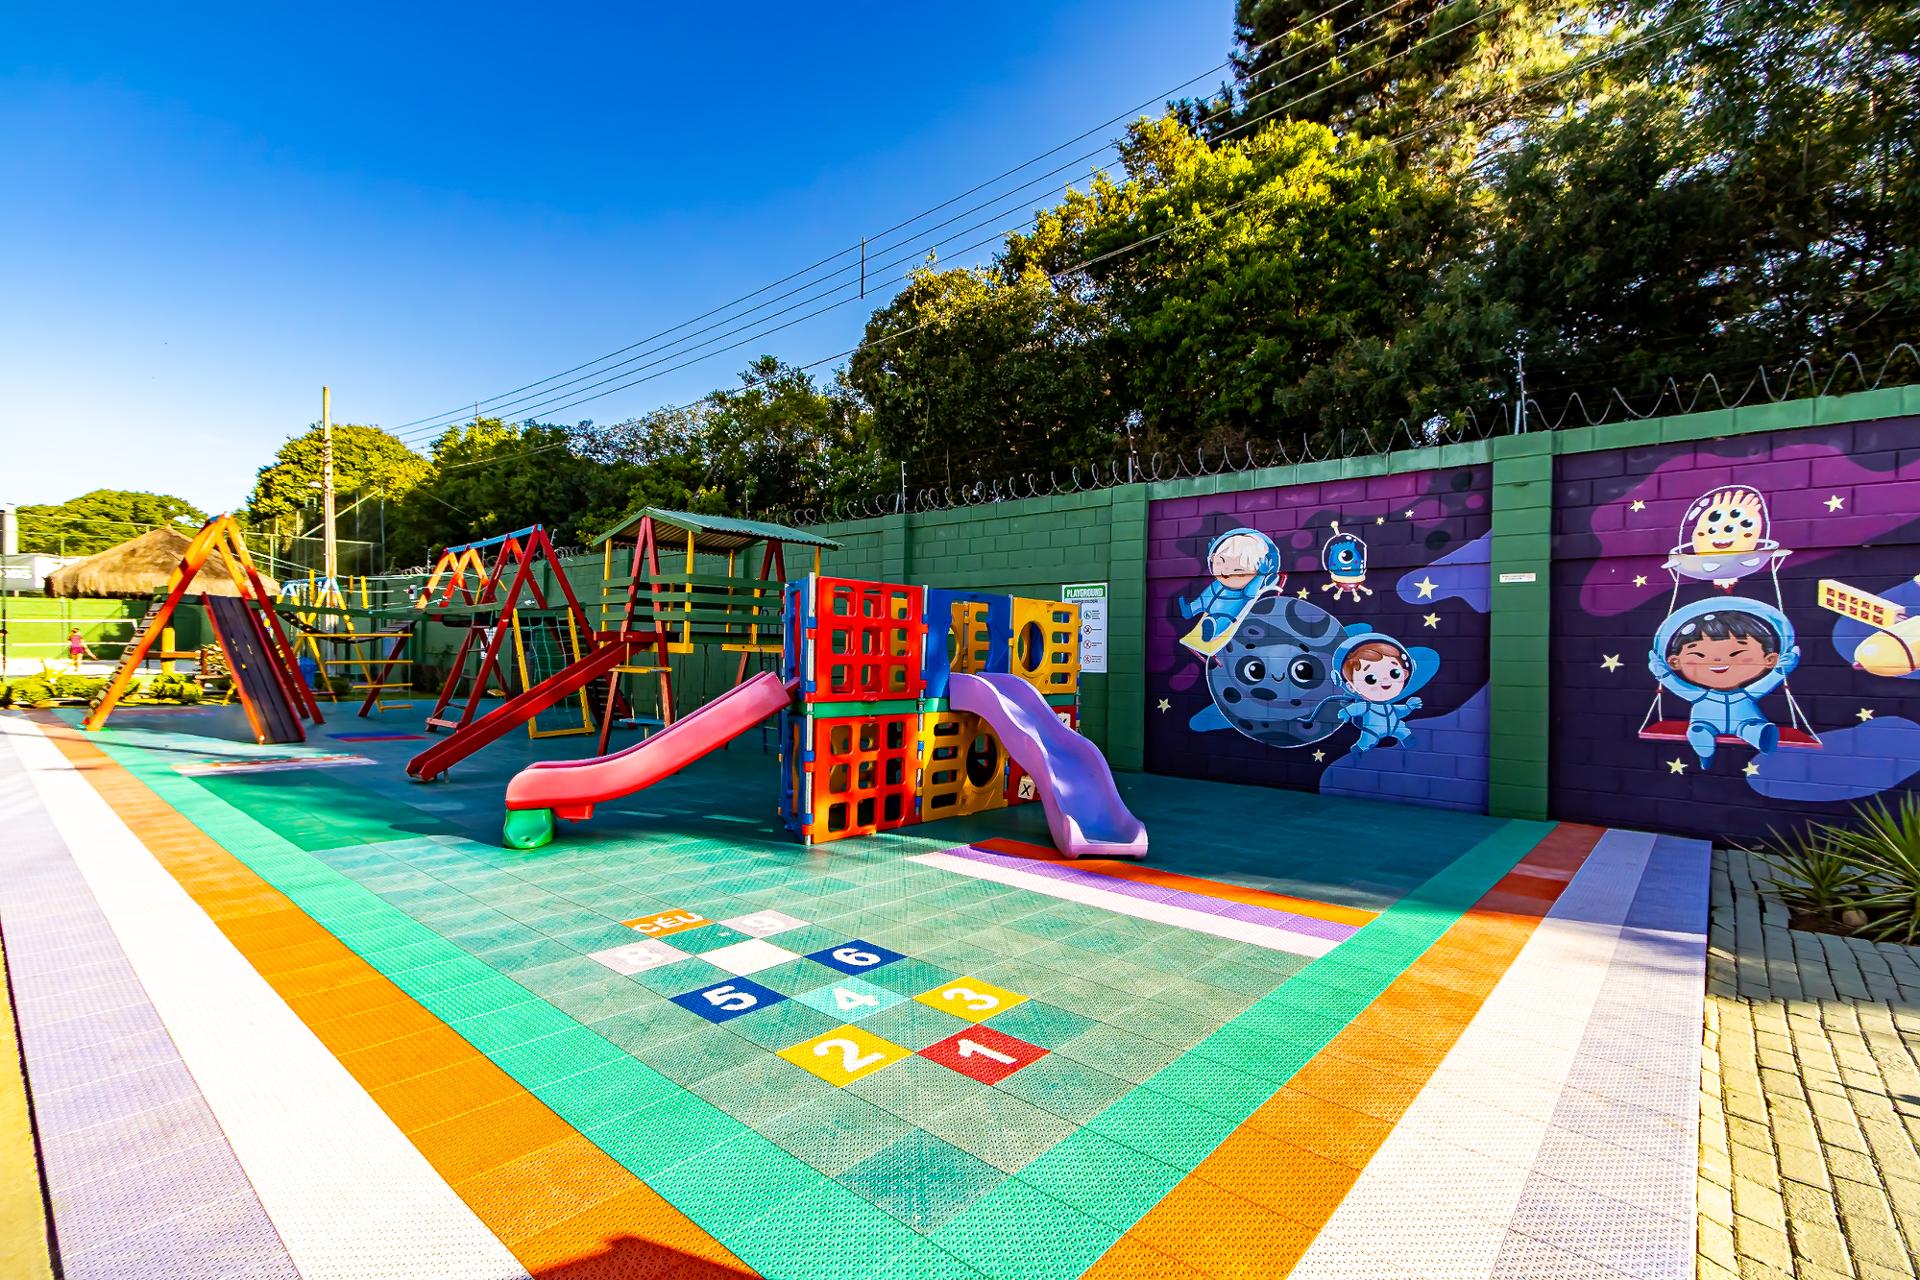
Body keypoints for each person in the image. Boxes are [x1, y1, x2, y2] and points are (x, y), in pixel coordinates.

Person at [1648, 599, 1800, 765]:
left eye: (1736, 653)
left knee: (1751, 727)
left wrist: (1781, 670)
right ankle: (1704, 748)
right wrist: (1662, 674)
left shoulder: (1746, 694)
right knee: (1698, 730)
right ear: (1674, 662)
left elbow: (1770, 680)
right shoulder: (1701, 696)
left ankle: (1760, 735)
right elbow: (1676, 685)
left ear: (1769, 660)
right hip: (1705, 722)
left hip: (1746, 721)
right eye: (1699, 655)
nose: (1717, 660)